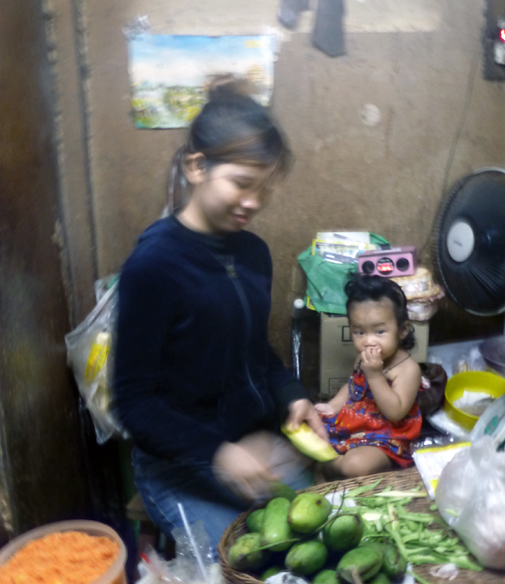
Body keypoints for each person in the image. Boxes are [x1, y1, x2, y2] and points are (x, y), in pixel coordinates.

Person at [114, 76, 326, 552]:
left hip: (256, 446)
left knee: (321, 541)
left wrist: (292, 396)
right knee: (249, 572)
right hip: (181, 466)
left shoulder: (253, 253)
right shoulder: (153, 266)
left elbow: (254, 352)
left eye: (266, 189)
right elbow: (133, 403)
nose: (254, 202)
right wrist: (218, 453)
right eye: (242, 184)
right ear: (197, 167)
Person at [315, 272, 423, 479]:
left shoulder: (408, 369)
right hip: (354, 423)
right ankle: (331, 460)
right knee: (308, 426)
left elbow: (395, 412)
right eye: (360, 332)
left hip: (386, 437)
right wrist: (332, 406)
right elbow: (352, 386)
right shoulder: (363, 357)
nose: (368, 341)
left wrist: (374, 375)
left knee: (355, 466)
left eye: (379, 332)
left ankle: (331, 465)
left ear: (402, 330)